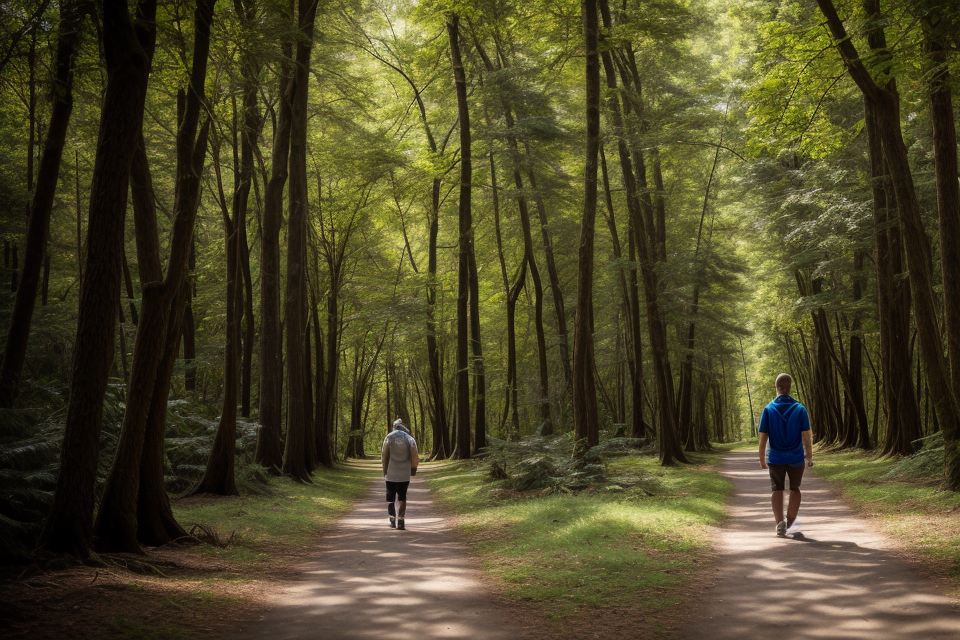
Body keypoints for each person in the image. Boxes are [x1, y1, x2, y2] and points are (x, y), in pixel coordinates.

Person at [758, 373, 813, 538]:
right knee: (795, 489)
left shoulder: (768, 409)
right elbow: (806, 435)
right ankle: (790, 522)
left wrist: (762, 458)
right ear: (789, 388)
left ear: (777, 388)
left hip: (775, 458)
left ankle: (779, 524)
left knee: (777, 489)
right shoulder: (800, 408)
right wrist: (809, 455)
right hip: (796, 458)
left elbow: (763, 436)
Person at [381, 418, 419, 530]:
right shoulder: (409, 438)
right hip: (404, 472)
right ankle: (401, 520)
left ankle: (392, 519)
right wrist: (413, 467)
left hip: (391, 473)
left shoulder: (388, 438)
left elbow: (384, 455)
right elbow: (414, 453)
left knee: (391, 497)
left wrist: (385, 470)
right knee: (402, 496)